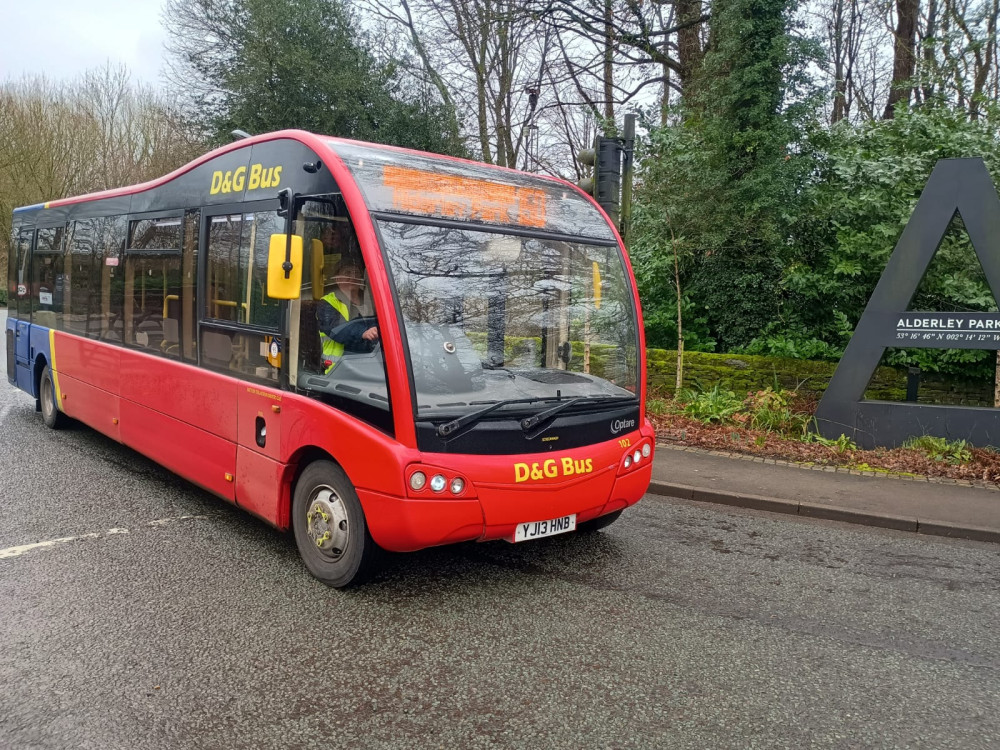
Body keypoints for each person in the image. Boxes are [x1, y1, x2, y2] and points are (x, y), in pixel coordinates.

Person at [317, 262, 379, 374]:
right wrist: (363, 332)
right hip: (339, 367)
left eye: (356, 273)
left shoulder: (370, 297)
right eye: (347, 273)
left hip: (372, 359)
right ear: (337, 279)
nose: (353, 277)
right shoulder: (327, 302)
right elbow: (335, 328)